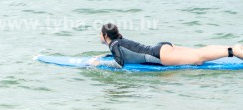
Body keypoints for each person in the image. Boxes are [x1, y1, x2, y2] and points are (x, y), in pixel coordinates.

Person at [91, 23, 243, 68]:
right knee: (198, 52)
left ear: (105, 36)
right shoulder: (119, 43)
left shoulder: (115, 45)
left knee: (198, 58)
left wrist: (99, 64)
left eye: (100, 34)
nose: (99, 36)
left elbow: (119, 63)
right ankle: (232, 48)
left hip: (161, 55)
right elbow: (124, 53)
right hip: (162, 48)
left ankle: (235, 51)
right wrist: (104, 56)